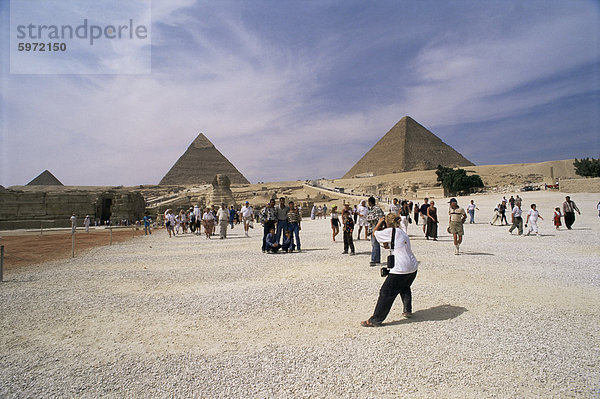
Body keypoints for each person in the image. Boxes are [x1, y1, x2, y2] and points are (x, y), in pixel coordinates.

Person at [361, 213, 418, 327]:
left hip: (401, 267)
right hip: (412, 266)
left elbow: (374, 233)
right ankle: (407, 309)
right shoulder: (402, 232)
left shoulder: (390, 231)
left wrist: (378, 224)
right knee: (404, 286)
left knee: (386, 292)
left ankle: (375, 319)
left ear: (387, 222)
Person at [366, 197, 385, 266]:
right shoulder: (370, 209)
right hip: (372, 227)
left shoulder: (377, 209)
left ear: (370, 202)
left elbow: (380, 218)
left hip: (376, 227)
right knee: (375, 244)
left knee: (374, 244)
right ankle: (377, 260)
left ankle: (373, 260)